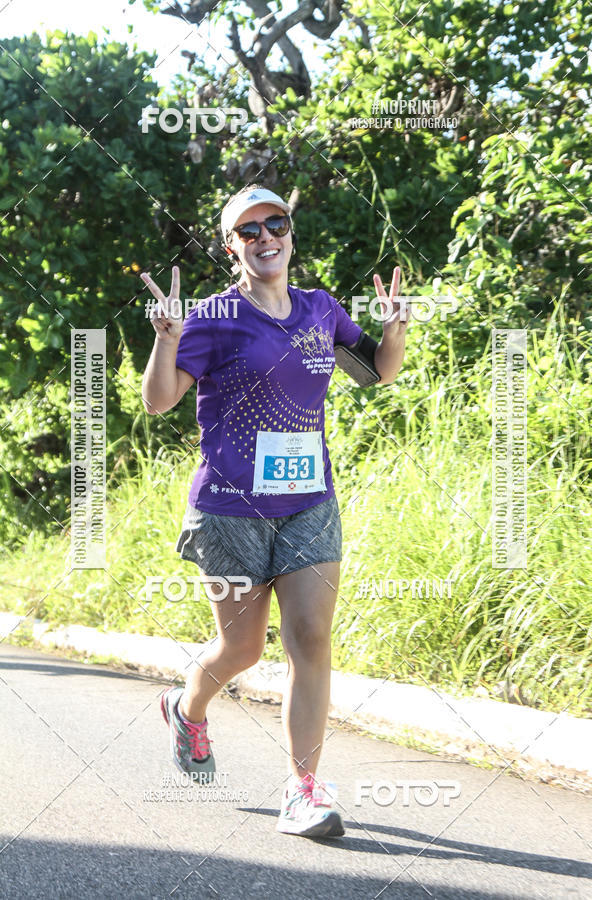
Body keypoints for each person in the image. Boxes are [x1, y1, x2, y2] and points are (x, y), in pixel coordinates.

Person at [140, 184, 411, 839]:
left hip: (308, 503)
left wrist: (395, 331)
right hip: (230, 509)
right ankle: (187, 704)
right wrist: (167, 340)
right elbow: (157, 401)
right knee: (240, 648)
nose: (266, 238)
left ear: (289, 233)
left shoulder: (321, 309)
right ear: (231, 246)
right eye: (249, 230)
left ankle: (304, 790)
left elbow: (375, 372)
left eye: (276, 224)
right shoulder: (212, 316)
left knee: (310, 641)